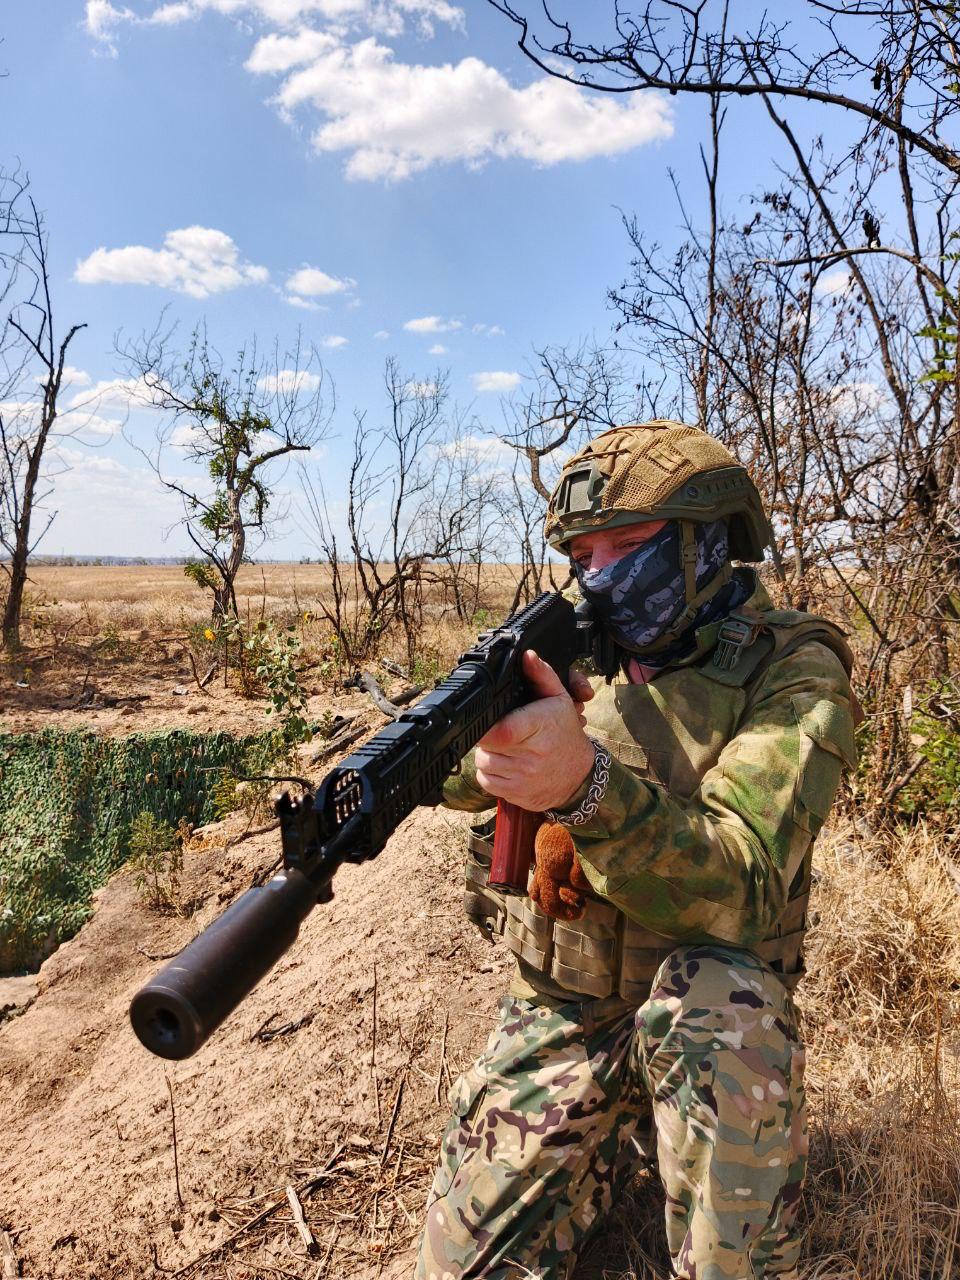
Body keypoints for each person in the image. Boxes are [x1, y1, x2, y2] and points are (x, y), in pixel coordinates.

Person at [415, 422, 858, 1280]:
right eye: (585, 554)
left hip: (703, 1009)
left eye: (628, 546)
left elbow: (743, 884)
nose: (600, 575)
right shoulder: (577, 650)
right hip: (566, 1004)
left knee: (722, 1008)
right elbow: (454, 782)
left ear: (705, 544)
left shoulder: (794, 669)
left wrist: (584, 786)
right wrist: (486, 740)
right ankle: (616, 1144)